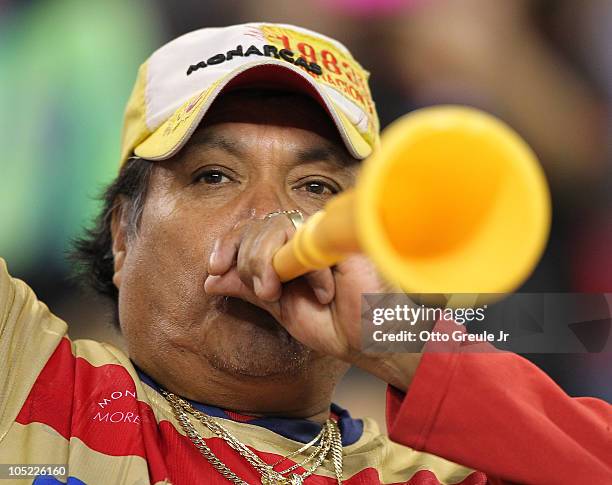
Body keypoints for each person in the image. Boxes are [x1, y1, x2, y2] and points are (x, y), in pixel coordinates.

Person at [0, 23, 609, 485]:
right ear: (122, 237)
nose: (271, 218)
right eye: (214, 176)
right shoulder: (24, 372)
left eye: (316, 188)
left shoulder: (435, 473)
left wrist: (403, 345)